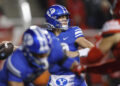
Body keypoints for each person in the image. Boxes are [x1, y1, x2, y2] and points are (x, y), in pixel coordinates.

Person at [0, 25, 87, 86]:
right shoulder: (16, 63)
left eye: (46, 52)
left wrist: (76, 67)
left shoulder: (54, 48)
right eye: (39, 54)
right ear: (27, 50)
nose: (44, 56)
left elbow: (64, 60)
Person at [45, 4, 94, 86]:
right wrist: (15, 48)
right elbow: (27, 49)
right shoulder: (45, 35)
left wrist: (77, 53)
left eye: (65, 17)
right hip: (53, 79)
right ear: (51, 19)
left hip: (75, 78)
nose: (64, 20)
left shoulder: (73, 31)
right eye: (61, 17)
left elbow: (93, 48)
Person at [77, 0, 120, 74]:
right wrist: (87, 69)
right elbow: (115, 66)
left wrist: (98, 43)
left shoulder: (115, 27)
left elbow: (92, 58)